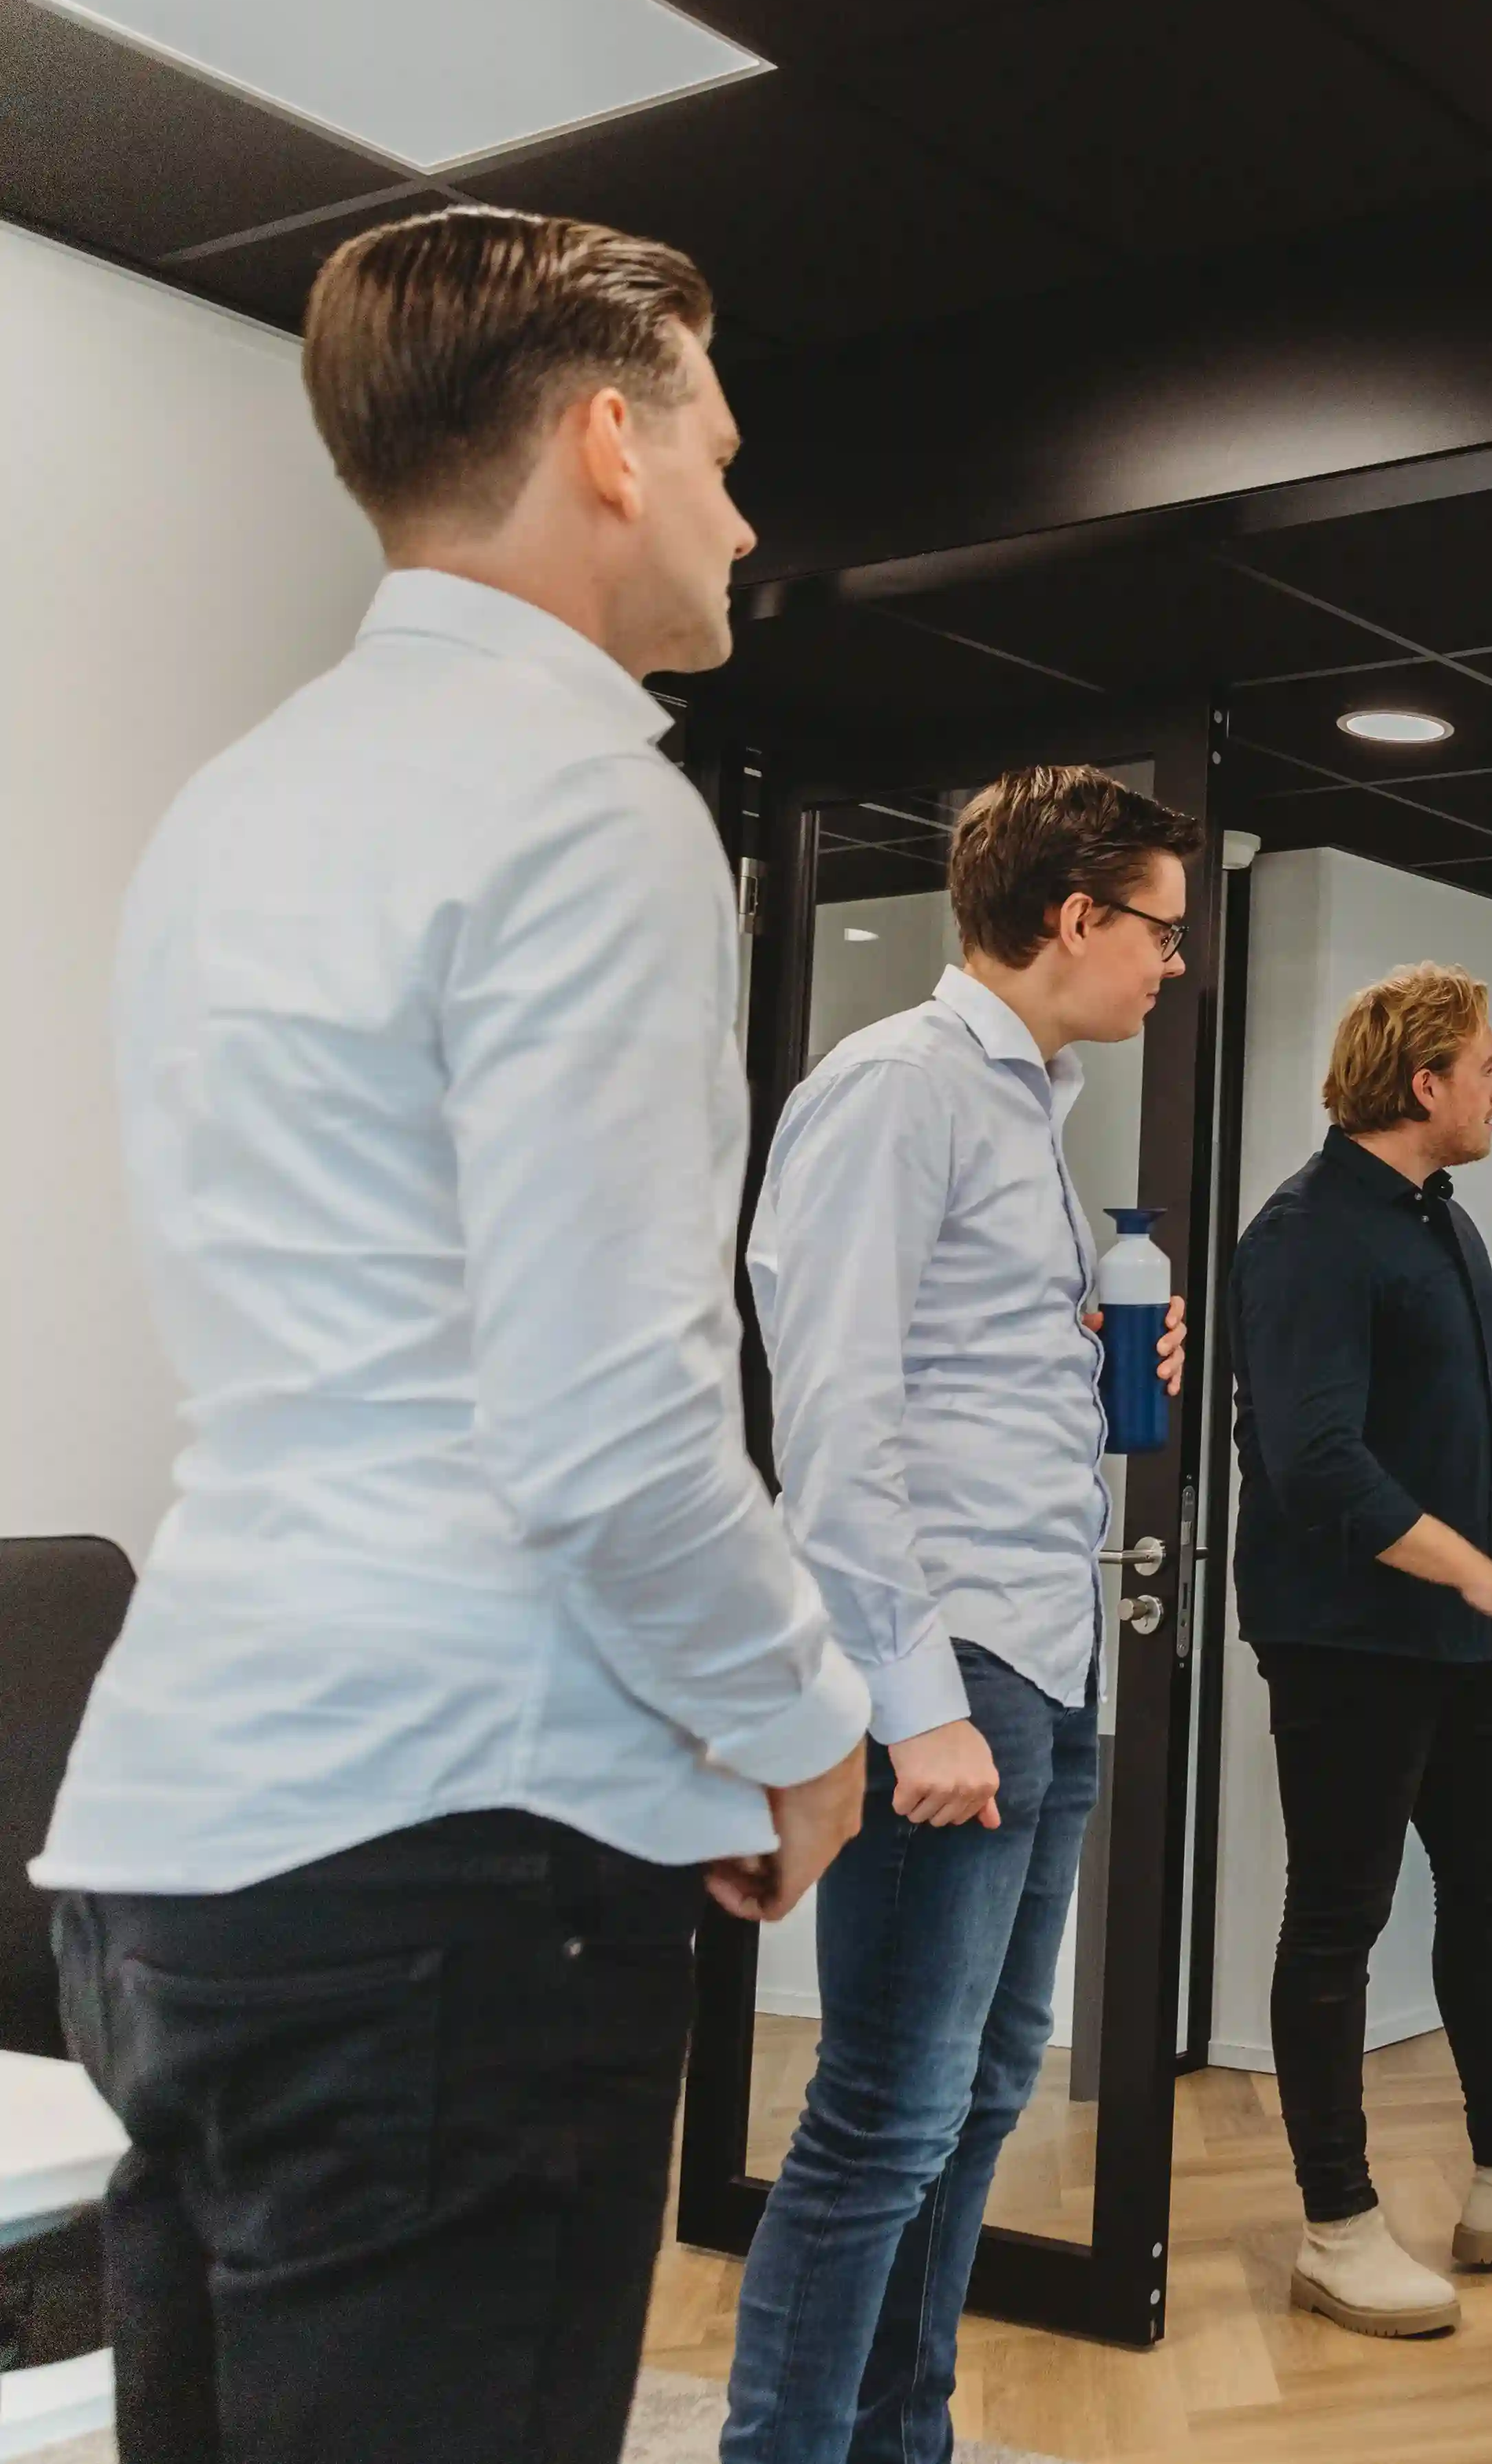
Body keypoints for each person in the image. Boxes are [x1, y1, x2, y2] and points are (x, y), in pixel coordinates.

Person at [32, 208, 871, 2464]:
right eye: (714, 446)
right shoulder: (588, 804)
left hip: (181, 1848)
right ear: (607, 442)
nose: (738, 509)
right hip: (438, 1879)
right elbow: (605, 1430)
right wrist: (801, 1728)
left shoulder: (244, 801)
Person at [719, 767, 1200, 2457]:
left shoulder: (1029, 1113)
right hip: (956, 1666)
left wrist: (1091, 1365)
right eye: (1156, 930)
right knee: (882, 2114)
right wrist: (907, 1699)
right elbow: (832, 1423)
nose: (1169, 966)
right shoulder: (895, 1090)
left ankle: (896, 2434)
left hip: (1044, 1659)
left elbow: (955, 1378)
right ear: (1073, 917)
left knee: (980, 2096)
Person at [1231, 964, 1492, 2336]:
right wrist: (1476, 1571)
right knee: (1337, 1919)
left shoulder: (1449, 1228)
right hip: (1346, 1635)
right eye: (1485, 1063)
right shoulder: (1304, 1233)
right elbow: (1313, 1464)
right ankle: (1336, 2222)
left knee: (1486, 1891)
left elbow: (1484, 1425)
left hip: (1463, 1632)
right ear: (1423, 1082)